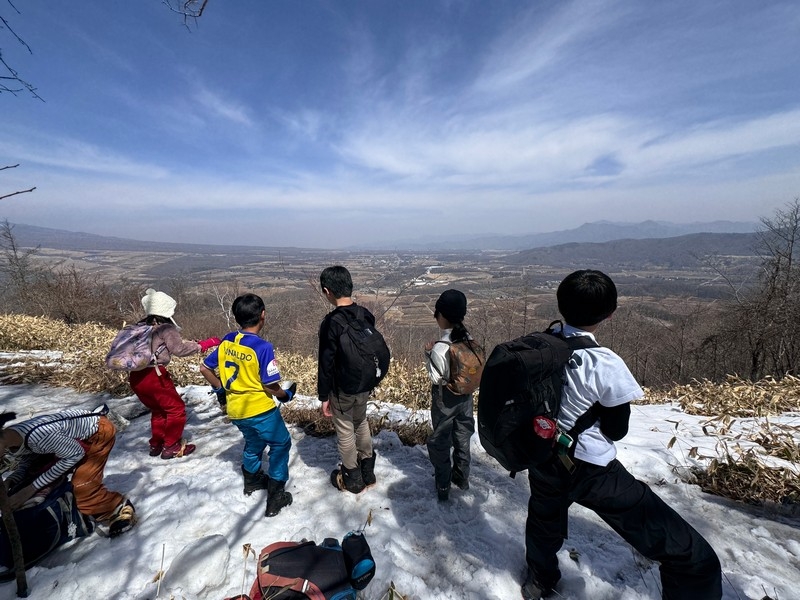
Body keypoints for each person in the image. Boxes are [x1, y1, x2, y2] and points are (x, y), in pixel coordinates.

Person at [521, 270, 722, 600]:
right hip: (591, 468)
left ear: (560, 305)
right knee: (692, 557)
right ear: (609, 313)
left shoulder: (542, 344)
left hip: (544, 455)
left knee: (544, 518)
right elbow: (617, 430)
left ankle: (539, 579)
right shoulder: (605, 363)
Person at [199, 293, 295, 518]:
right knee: (281, 444)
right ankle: (276, 494)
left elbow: (204, 367)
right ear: (263, 315)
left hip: (237, 410)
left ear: (237, 317)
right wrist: (285, 395)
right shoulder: (262, 347)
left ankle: (251, 480)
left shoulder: (227, 341)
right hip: (260, 409)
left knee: (254, 441)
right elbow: (270, 384)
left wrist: (220, 390)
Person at [0, 407, 136, 537]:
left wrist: (31, 489)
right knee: (34, 473)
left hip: (97, 433)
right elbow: (27, 462)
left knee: (82, 487)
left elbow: (75, 454)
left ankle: (117, 507)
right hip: (70, 444)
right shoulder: (12, 440)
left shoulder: (40, 436)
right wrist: (10, 480)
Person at [129, 288, 220, 460]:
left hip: (135, 376)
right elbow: (179, 349)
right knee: (176, 409)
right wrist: (203, 345)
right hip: (154, 376)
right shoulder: (165, 328)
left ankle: (156, 444)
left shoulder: (139, 326)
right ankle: (171, 446)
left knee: (158, 410)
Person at [318, 265, 378, 494]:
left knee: (345, 430)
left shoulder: (331, 323)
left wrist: (324, 396)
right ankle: (368, 472)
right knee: (361, 422)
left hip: (342, 388)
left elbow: (326, 363)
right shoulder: (365, 314)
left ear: (327, 291)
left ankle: (352, 479)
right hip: (364, 384)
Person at [424, 289, 479, 502]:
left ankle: (443, 483)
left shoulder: (440, 347)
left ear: (441, 315)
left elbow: (436, 378)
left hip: (444, 399)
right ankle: (462, 478)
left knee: (441, 440)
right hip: (466, 397)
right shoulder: (469, 339)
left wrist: (428, 354)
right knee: (463, 436)